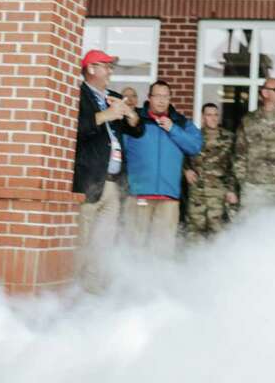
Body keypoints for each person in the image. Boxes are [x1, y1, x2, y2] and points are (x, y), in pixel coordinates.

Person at [73, 49, 143, 292]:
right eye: (106, 66)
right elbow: (76, 130)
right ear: (91, 68)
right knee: (82, 242)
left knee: (102, 246)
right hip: (90, 180)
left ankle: (92, 293)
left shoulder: (113, 96)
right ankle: (73, 291)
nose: (110, 71)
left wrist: (130, 114)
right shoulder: (78, 95)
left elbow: (137, 130)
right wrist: (106, 115)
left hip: (113, 183)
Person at [123, 81, 202, 257]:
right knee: (133, 247)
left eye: (165, 96)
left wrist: (173, 129)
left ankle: (157, 284)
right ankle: (130, 284)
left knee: (163, 250)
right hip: (139, 195)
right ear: (149, 98)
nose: (161, 100)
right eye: (157, 96)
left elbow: (195, 146)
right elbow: (121, 151)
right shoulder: (135, 120)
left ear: (170, 99)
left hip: (169, 198)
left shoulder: (180, 123)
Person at [233, 78, 275, 212]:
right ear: (265, 93)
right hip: (255, 186)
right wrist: (243, 181)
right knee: (252, 227)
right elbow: (239, 153)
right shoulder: (249, 120)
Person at [183, 103, 237, 244]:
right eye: (209, 115)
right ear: (202, 117)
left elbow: (234, 167)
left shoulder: (229, 138)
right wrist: (185, 170)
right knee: (194, 234)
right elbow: (181, 156)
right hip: (197, 194)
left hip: (218, 194)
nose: (213, 118)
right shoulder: (194, 137)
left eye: (215, 115)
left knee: (218, 235)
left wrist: (231, 190)